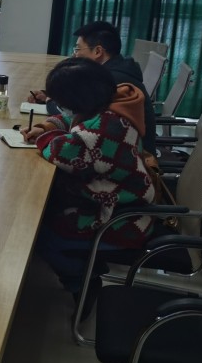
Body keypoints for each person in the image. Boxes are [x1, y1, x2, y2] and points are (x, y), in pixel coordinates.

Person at [22, 57, 158, 313]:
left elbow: (60, 151)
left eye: (63, 103)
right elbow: (73, 122)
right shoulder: (113, 104)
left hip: (123, 220)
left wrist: (45, 135)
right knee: (43, 213)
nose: (61, 108)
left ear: (79, 100)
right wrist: (49, 125)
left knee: (39, 236)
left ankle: (83, 280)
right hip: (121, 201)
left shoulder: (104, 129)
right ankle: (86, 267)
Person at [28, 21, 156, 153]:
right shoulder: (115, 70)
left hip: (132, 154)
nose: (74, 55)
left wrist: (50, 100)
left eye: (78, 49)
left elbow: (72, 113)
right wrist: (46, 125)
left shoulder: (111, 81)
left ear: (98, 51)